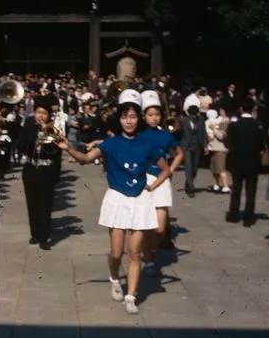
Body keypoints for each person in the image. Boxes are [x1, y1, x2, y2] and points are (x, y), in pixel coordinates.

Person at [62, 90, 170, 315]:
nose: (129, 121)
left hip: (140, 199)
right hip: (117, 198)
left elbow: (165, 169)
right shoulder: (110, 144)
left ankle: (131, 296)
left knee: (134, 252)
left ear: (138, 119)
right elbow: (84, 159)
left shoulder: (147, 143)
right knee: (116, 252)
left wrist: (152, 186)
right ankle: (114, 279)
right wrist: (68, 148)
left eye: (133, 116)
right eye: (124, 116)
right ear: (118, 120)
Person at [139, 91, 184, 276]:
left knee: (159, 228)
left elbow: (179, 153)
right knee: (143, 223)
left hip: (162, 180)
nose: (154, 118)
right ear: (144, 116)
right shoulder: (139, 134)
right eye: (150, 115)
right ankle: (147, 259)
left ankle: (151, 251)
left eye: (156, 114)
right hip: (143, 178)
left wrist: (171, 170)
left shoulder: (166, 135)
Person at [18, 104, 62, 249]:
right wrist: (34, 141)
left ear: (48, 115)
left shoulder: (52, 130)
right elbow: (21, 145)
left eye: (44, 113)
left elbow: (55, 152)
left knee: (45, 204)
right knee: (32, 203)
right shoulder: (28, 127)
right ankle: (34, 234)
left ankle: (44, 236)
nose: (40, 116)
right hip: (31, 168)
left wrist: (46, 133)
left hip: (46, 170)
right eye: (38, 112)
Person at [225, 97, 265, 227]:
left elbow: (228, 143)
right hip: (252, 161)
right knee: (251, 191)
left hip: (237, 160)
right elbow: (261, 145)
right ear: (252, 109)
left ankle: (233, 215)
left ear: (241, 109)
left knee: (236, 189)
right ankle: (248, 218)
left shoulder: (234, 125)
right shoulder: (258, 125)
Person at [179, 105, 207, 197]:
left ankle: (188, 182)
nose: (194, 117)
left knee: (194, 168)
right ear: (189, 114)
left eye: (195, 115)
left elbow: (203, 133)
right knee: (188, 166)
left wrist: (205, 146)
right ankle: (191, 189)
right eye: (192, 115)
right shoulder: (183, 120)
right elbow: (178, 132)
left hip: (197, 146)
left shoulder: (201, 119)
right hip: (187, 146)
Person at [205, 106, 231, 194]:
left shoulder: (225, 124)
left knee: (221, 168)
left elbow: (221, 136)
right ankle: (216, 184)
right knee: (214, 168)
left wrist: (214, 129)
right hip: (213, 148)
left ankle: (226, 186)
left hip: (221, 149)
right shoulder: (217, 121)